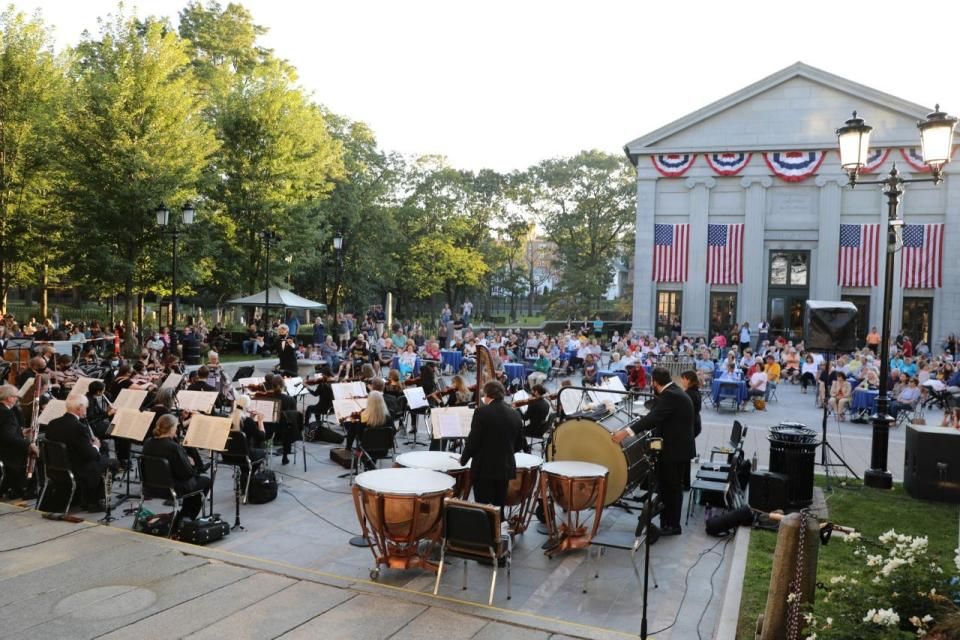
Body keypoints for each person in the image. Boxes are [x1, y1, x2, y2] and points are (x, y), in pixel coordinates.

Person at [612, 368, 694, 536]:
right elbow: (658, 415)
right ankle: (667, 522)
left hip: (675, 451)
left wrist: (625, 432)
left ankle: (672, 525)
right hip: (676, 448)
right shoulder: (673, 391)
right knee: (668, 487)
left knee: (671, 488)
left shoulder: (670, 395)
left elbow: (653, 418)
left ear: (654, 382)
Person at [45, 394, 119, 511]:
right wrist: (95, 446)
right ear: (79, 408)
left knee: (103, 455)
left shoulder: (53, 423)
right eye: (86, 407)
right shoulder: (79, 427)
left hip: (57, 466)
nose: (87, 409)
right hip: (78, 468)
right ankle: (94, 500)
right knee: (113, 463)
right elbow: (92, 455)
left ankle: (86, 494)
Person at [460, 381, 523, 509]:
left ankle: (485, 529)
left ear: (488, 395)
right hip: (505, 468)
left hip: (484, 469)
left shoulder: (481, 412)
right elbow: (519, 444)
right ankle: (497, 528)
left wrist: (464, 459)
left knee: (483, 507)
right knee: (498, 506)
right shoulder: (515, 414)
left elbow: (473, 441)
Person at [142, 414, 211, 524]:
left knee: (195, 482)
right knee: (204, 481)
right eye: (175, 427)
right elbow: (186, 474)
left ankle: (184, 516)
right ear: (171, 428)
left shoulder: (148, 442)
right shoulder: (173, 447)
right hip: (171, 490)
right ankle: (187, 516)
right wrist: (191, 464)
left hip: (150, 487)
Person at [0, 384, 36, 497]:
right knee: (37, 454)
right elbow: (8, 437)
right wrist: (29, 444)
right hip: (7, 453)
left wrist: (22, 432)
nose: (17, 399)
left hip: (3, 448)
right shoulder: (7, 413)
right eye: (15, 396)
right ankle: (26, 490)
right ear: (9, 398)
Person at [679, 371, 702, 492]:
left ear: (688, 379)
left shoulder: (688, 393)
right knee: (685, 454)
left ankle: (684, 483)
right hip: (695, 424)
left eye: (682, 379)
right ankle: (685, 482)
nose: (681, 381)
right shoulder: (694, 390)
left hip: (691, 426)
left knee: (684, 455)